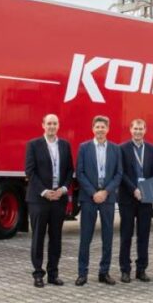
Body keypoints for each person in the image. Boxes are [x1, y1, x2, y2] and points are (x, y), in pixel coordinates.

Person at [24, 114, 73, 288]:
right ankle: (38, 274)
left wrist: (63, 189)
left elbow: (69, 171)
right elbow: (30, 171)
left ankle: (53, 274)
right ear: (43, 125)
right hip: (39, 199)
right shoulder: (34, 145)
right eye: (49, 123)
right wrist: (45, 192)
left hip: (58, 199)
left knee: (56, 238)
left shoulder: (65, 145)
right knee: (38, 237)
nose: (52, 126)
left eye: (55, 123)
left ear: (58, 125)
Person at [75, 115, 123, 287]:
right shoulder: (84, 147)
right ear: (93, 129)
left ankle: (104, 272)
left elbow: (119, 174)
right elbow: (79, 173)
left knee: (108, 236)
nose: (100, 130)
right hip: (89, 198)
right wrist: (93, 192)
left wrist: (106, 191)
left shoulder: (115, 149)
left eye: (103, 127)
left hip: (108, 198)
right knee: (85, 237)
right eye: (97, 127)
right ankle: (82, 273)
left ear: (107, 129)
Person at [118, 119, 153, 282]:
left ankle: (141, 269)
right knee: (126, 235)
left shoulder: (152, 149)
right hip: (128, 197)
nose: (138, 131)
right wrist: (134, 189)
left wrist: (144, 190)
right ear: (130, 129)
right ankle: (125, 270)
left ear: (145, 130)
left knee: (144, 235)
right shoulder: (122, 148)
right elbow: (121, 172)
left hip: (146, 198)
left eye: (141, 129)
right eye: (135, 128)